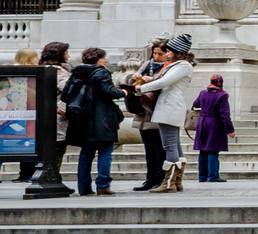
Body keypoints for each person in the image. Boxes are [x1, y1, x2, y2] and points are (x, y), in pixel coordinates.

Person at [136, 33, 196, 192]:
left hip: (170, 107)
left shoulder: (183, 66)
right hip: (169, 106)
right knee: (174, 145)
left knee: (169, 145)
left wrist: (141, 88)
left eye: (169, 51)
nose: (166, 53)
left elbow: (164, 82)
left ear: (177, 52)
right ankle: (176, 182)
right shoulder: (176, 66)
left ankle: (168, 183)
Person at [62, 47, 122, 197]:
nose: (106, 60)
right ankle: (103, 186)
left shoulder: (77, 72)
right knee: (105, 152)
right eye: (104, 57)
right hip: (102, 119)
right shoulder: (101, 72)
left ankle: (83, 187)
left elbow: (65, 95)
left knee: (86, 153)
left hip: (83, 119)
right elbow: (110, 92)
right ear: (98, 59)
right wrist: (123, 92)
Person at [124, 36, 168, 191]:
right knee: (149, 149)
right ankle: (150, 179)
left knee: (159, 149)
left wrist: (150, 80)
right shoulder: (146, 64)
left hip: (157, 111)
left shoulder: (168, 67)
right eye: (154, 53)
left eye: (160, 54)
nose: (156, 57)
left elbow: (164, 84)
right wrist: (134, 78)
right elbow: (130, 81)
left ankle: (161, 178)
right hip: (143, 112)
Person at [191, 74, 235, 183]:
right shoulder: (222, 95)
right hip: (214, 124)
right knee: (213, 150)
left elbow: (195, 104)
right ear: (220, 83)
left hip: (202, 123)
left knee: (203, 150)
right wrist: (230, 130)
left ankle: (202, 177)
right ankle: (213, 176)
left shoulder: (203, 93)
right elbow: (225, 115)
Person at [37, 42, 70, 185]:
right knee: (57, 149)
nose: (68, 55)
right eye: (66, 52)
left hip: (42, 118)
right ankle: (52, 178)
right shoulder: (58, 71)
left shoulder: (40, 68)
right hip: (56, 118)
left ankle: (51, 177)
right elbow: (67, 89)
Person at [4, 49, 38, 182]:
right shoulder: (31, 74)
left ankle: (25, 173)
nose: (38, 60)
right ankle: (27, 173)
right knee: (28, 143)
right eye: (35, 57)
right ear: (29, 58)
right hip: (26, 113)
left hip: (16, 113)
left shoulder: (10, 72)